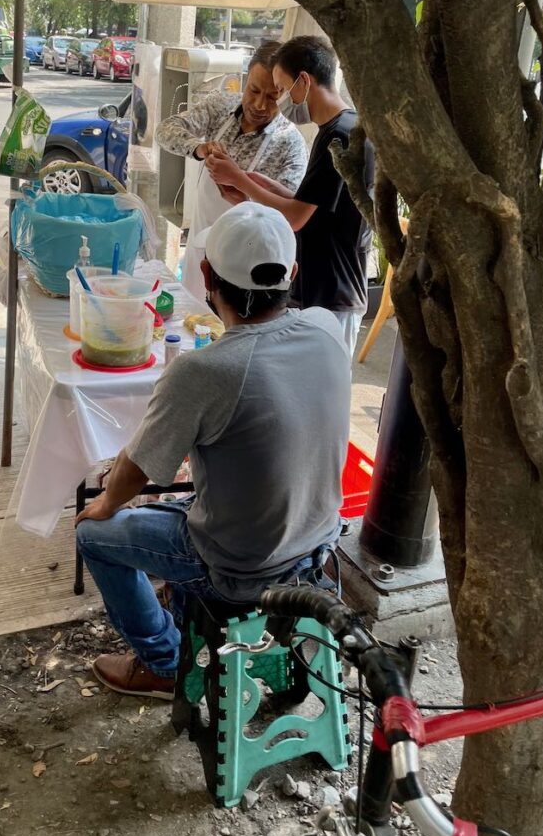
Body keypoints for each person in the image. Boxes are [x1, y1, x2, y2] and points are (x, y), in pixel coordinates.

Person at [75, 202, 351, 700]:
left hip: (240, 567)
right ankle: (183, 616)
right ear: (292, 273)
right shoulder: (327, 328)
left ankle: (162, 663)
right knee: (186, 503)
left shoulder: (203, 371)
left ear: (205, 275)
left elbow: (138, 469)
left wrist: (105, 505)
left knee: (95, 533)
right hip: (317, 541)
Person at [205, 35, 374, 356]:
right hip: (318, 291)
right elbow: (312, 205)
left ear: (304, 82)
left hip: (331, 296)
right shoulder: (337, 128)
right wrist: (257, 189)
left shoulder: (341, 134)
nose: (281, 102)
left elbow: (297, 217)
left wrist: (240, 179)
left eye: (283, 89)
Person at [156, 40, 308, 304]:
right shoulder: (220, 106)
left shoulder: (290, 143)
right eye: (254, 90)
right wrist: (199, 148)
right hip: (200, 249)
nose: (260, 105)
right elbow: (165, 130)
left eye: (273, 96)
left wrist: (245, 196)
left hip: (246, 266)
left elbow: (286, 216)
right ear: (245, 78)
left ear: (286, 94)